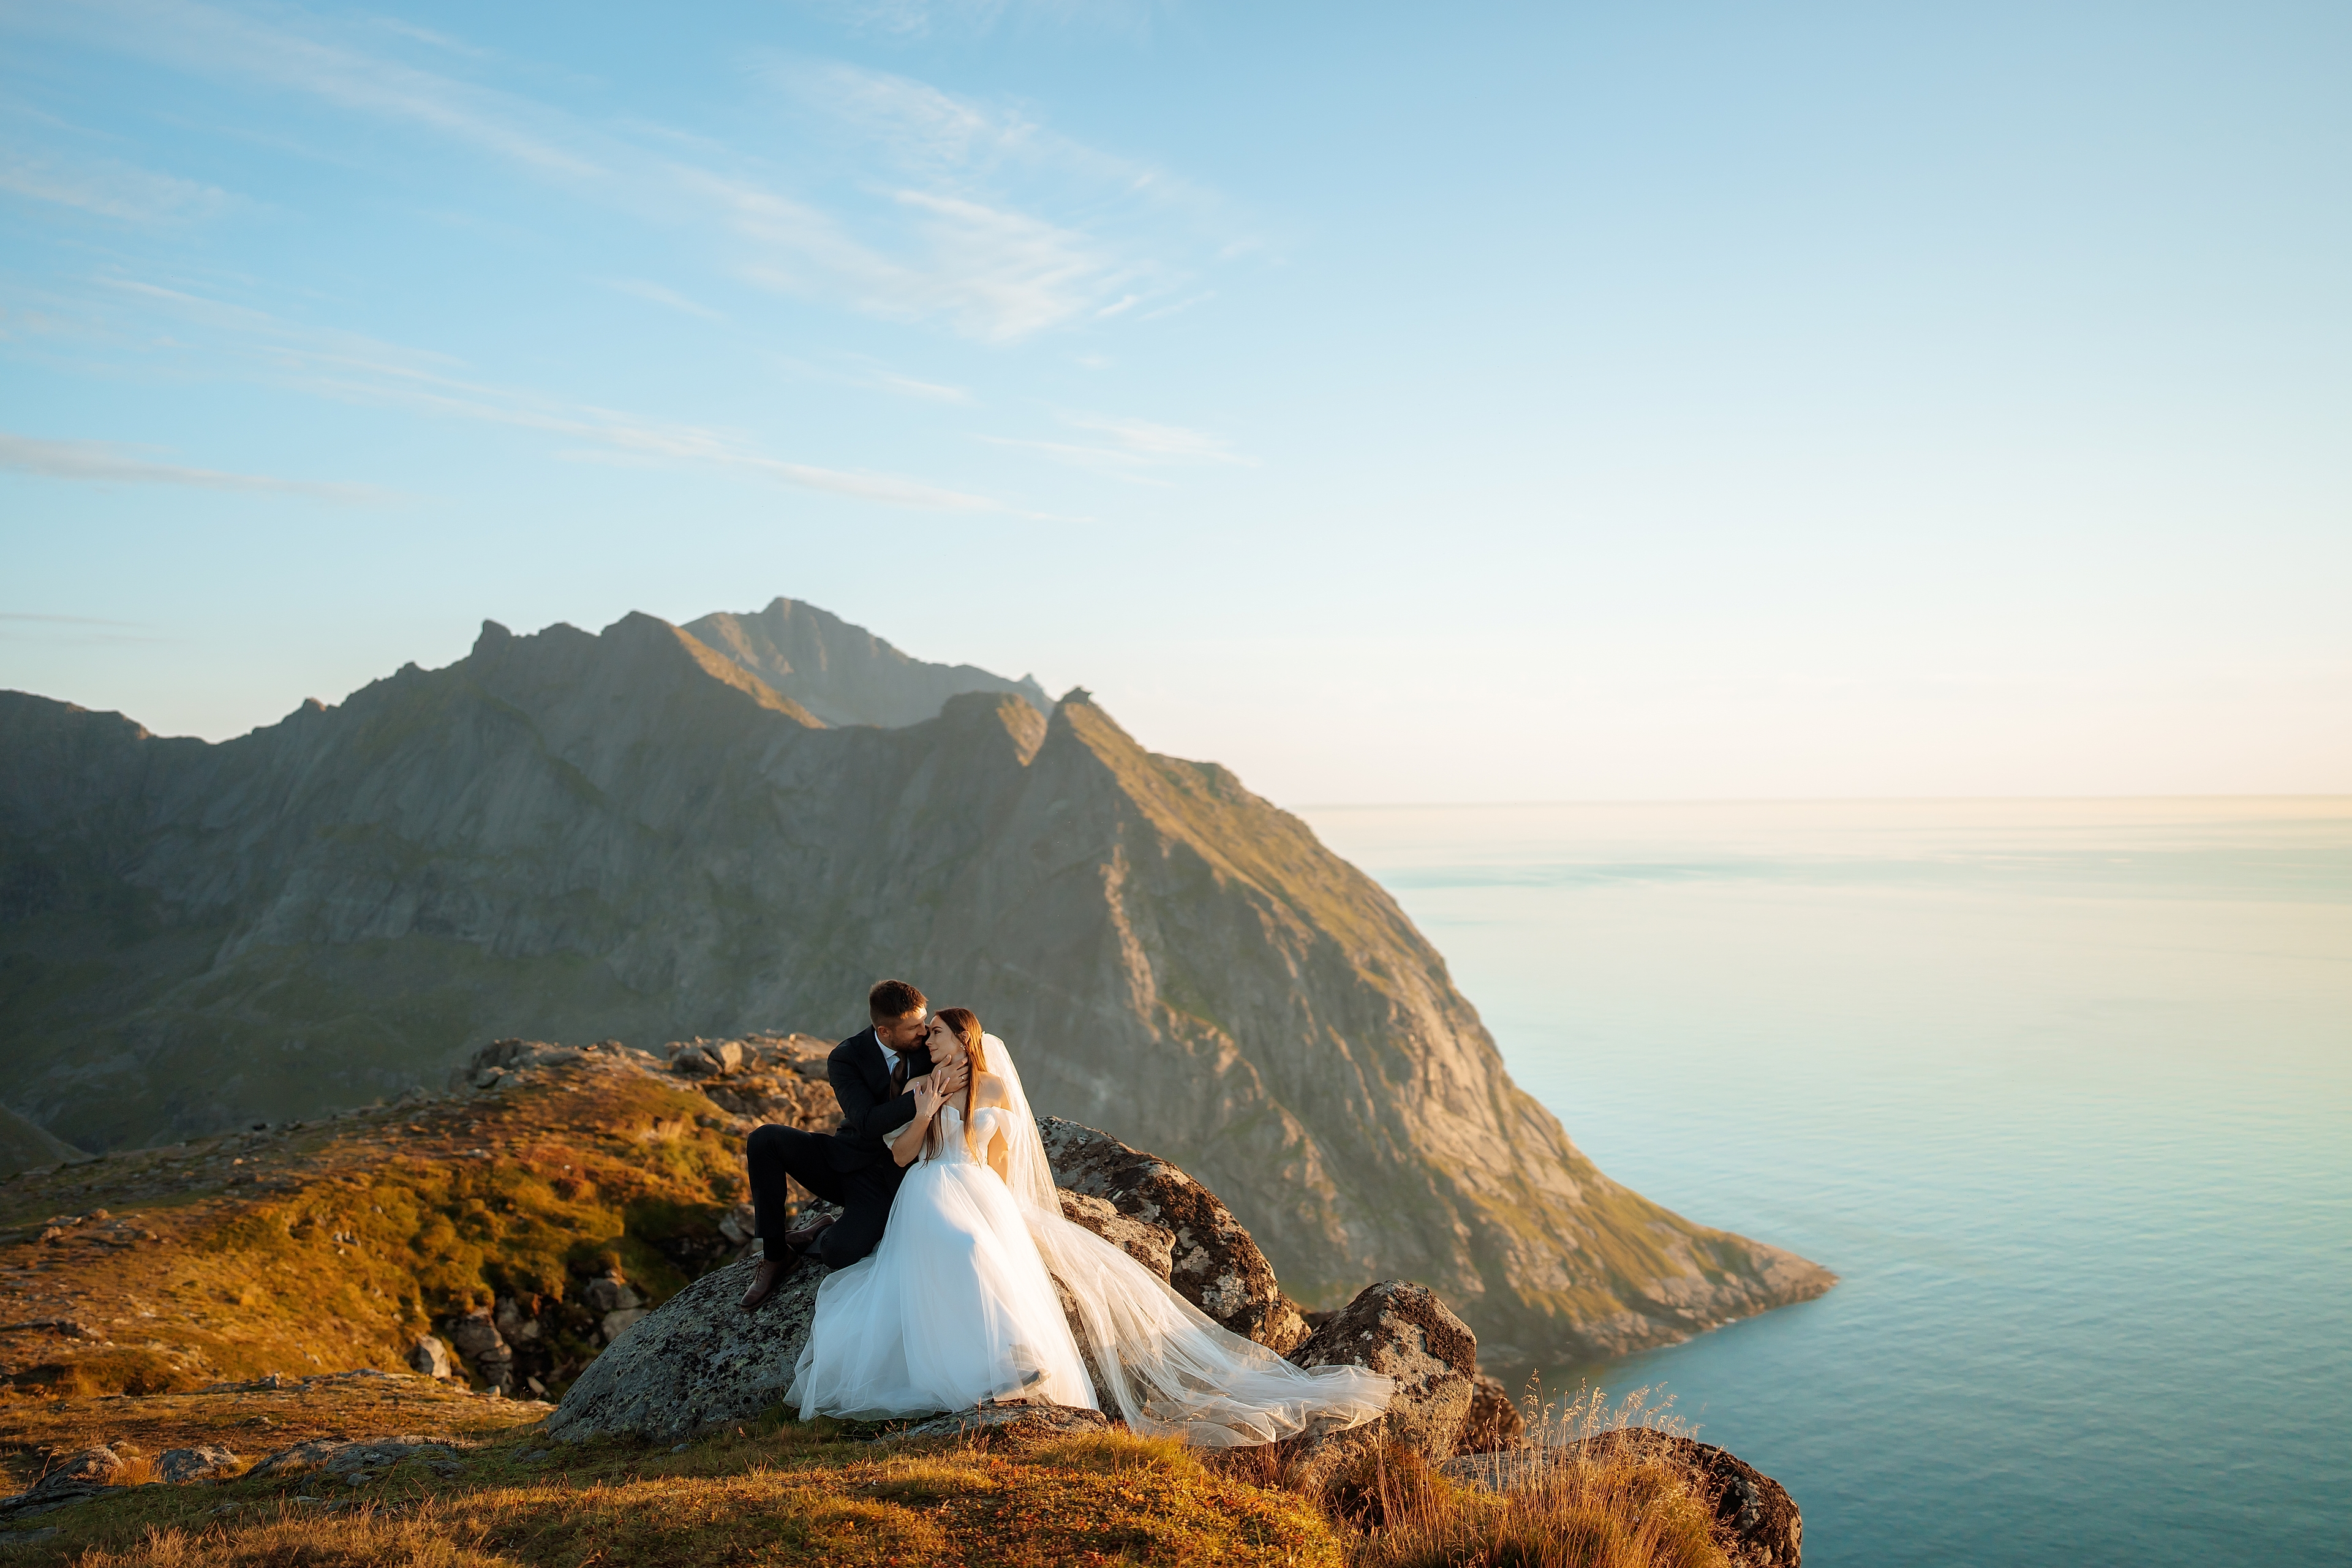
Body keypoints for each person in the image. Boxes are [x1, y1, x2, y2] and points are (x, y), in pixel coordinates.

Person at [786, 1008, 1396, 1445]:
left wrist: (1004, 1206)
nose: (929, 1039)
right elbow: (902, 1156)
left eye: (938, 1032)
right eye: (929, 1034)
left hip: (974, 1184)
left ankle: (1009, 1364)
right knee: (963, 1245)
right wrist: (923, 1111)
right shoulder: (919, 1084)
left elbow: (997, 1160)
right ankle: (975, 1368)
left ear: (962, 1037)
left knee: (987, 1247)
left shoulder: (995, 1086)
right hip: (928, 1186)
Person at [738, 979, 960, 1310]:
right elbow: (867, 1123)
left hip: (891, 1179)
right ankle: (775, 1255)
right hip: (844, 1158)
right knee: (764, 1139)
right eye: (914, 1026)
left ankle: (819, 1232)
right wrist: (928, 1093)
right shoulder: (846, 1058)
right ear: (885, 1032)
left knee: (839, 1254)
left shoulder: (930, 1048)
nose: (924, 1031)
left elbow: (966, 1046)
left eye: (924, 1021)